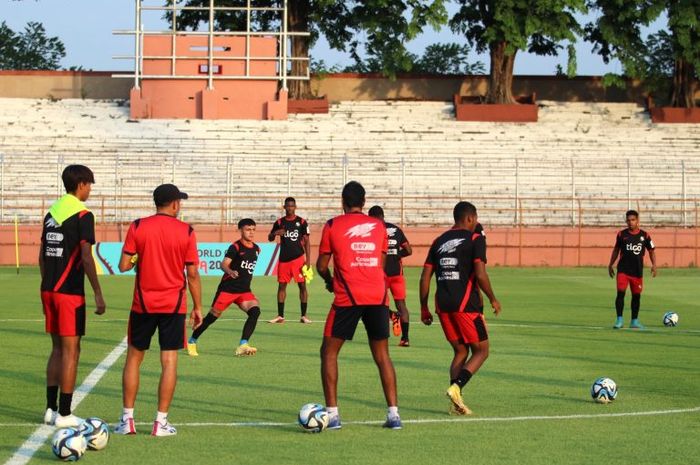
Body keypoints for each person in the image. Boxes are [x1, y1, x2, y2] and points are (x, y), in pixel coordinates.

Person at [114, 184, 203, 437]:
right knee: (169, 361)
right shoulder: (186, 231)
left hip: (142, 303)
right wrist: (197, 307)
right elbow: (193, 274)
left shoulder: (138, 226)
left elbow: (123, 264)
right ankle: (160, 423)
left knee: (134, 358)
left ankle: (127, 420)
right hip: (173, 305)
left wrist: (138, 259)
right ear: (174, 204)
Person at [317, 181, 402, 430]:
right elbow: (383, 261)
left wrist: (330, 281)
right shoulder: (379, 226)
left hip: (348, 297)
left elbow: (321, 266)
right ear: (363, 202)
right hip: (377, 295)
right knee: (382, 355)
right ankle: (394, 415)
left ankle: (332, 415)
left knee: (329, 352)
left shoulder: (333, 225)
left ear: (342, 201)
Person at [419, 201, 501, 415]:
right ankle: (456, 387)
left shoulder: (438, 241)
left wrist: (424, 307)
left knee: (461, 350)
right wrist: (492, 297)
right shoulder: (475, 239)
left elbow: (425, 275)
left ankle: (456, 402)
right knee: (482, 350)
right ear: (470, 218)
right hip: (466, 305)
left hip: (442, 305)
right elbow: (481, 274)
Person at [40, 164, 106, 428]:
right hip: (69, 293)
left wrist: (46, 283)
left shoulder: (51, 213)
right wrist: (98, 294)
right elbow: (86, 257)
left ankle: (50, 409)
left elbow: (42, 253)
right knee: (72, 351)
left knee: (56, 348)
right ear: (81, 185)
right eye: (89, 185)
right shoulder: (82, 214)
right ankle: (65, 415)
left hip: (49, 288)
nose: (90, 189)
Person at [187, 218, 262, 357]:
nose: (251, 232)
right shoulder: (236, 247)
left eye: (253, 229)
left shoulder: (257, 249)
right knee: (211, 318)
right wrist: (230, 271)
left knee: (255, 311)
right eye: (248, 229)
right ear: (240, 230)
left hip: (244, 291)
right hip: (227, 290)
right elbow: (223, 264)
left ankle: (243, 344)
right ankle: (192, 341)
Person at [368, 206, 412, 346]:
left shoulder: (373, 230)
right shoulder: (396, 230)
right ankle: (405, 339)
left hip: (381, 275)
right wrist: (397, 255)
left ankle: (392, 316)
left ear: (373, 217)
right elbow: (409, 250)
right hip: (397, 275)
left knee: (376, 303)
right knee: (402, 306)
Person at [608, 210, 657, 329]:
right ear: (626, 221)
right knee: (620, 293)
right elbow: (616, 250)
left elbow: (651, 251)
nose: (630, 222)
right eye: (628, 220)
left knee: (636, 296)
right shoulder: (621, 234)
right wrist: (610, 264)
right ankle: (619, 320)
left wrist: (654, 265)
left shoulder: (645, 235)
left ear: (637, 221)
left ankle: (634, 321)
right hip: (623, 270)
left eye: (633, 220)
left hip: (637, 271)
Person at [267, 197, 312, 324]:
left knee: (302, 286)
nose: (290, 208)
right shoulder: (279, 222)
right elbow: (270, 238)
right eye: (288, 206)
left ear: (295, 207)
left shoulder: (302, 222)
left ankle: (304, 316)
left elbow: (307, 242)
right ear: (284, 207)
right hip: (284, 260)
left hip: (298, 259)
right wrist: (276, 232)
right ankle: (280, 316)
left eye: (292, 206)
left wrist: (308, 260)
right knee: (281, 286)